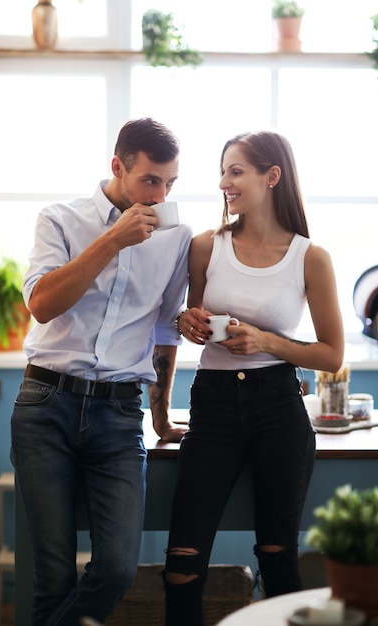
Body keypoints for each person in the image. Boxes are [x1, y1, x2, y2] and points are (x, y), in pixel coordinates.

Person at [10, 117, 191, 626]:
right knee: (52, 576)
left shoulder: (176, 238)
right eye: (149, 180)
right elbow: (42, 304)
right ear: (118, 167)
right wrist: (112, 240)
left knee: (115, 568)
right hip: (45, 405)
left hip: (118, 413)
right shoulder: (60, 219)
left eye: (170, 183)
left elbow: (162, 330)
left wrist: (160, 416)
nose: (159, 195)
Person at [163, 130, 344, 626]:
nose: (224, 182)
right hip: (214, 406)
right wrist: (187, 322)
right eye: (222, 172)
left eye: (235, 170)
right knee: (181, 565)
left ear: (272, 176)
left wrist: (264, 341)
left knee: (278, 559)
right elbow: (186, 318)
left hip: (278, 407)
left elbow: (331, 353)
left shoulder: (311, 257)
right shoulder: (205, 247)